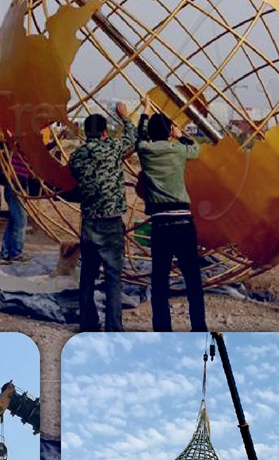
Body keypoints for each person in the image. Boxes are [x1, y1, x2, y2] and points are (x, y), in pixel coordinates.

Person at [136, 103, 206, 332]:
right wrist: (180, 134)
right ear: (169, 132)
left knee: (160, 282)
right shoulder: (178, 149)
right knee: (193, 281)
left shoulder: (145, 150)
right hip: (184, 222)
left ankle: (163, 330)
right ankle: (198, 328)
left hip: (161, 224)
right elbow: (196, 149)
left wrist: (145, 111)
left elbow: (139, 136)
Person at [69, 102, 136, 331]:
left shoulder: (77, 156)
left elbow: (75, 177)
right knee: (113, 277)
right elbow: (132, 138)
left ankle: (88, 323)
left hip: (89, 221)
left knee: (87, 275)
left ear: (86, 133)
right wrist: (125, 117)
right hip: (111, 221)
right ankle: (114, 327)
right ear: (105, 132)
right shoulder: (113, 148)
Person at [0, 147, 29, 262]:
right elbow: (39, 152)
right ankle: (16, 253)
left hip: (16, 183)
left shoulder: (21, 145)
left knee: (13, 221)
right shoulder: (22, 144)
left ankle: (6, 251)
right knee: (21, 222)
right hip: (17, 184)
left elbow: (40, 152)